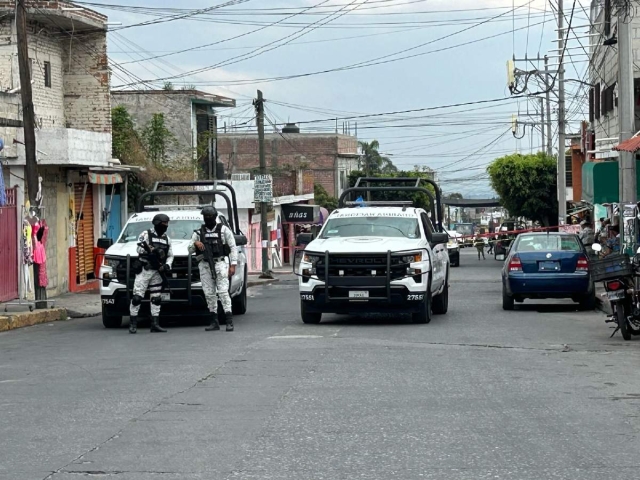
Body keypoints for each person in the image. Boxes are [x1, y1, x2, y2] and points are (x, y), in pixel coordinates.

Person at [189, 206, 238, 332]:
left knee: (223, 292)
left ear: (215, 217)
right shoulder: (199, 232)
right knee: (209, 294)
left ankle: (229, 320)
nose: (208, 219)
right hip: (205, 265)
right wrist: (196, 244)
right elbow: (189, 249)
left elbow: (232, 247)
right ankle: (214, 320)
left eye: (210, 217)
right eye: (206, 217)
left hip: (220, 263)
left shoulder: (223, 230)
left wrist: (233, 264)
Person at [129, 213, 173, 334]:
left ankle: (155, 324)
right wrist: (152, 250)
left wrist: (167, 265)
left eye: (166, 224)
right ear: (156, 223)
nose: (165, 226)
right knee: (137, 298)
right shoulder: (146, 234)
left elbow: (170, 256)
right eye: (163, 224)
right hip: (145, 270)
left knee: (156, 298)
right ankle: (133, 324)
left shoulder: (167, 239)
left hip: (157, 272)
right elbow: (138, 249)